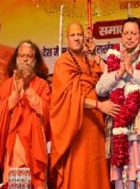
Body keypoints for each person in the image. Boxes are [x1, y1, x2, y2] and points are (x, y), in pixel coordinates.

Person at [96, 17, 140, 187]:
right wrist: (119, 73)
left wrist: (133, 71)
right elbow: (100, 89)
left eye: (133, 33)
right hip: (120, 135)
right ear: (121, 35)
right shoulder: (113, 58)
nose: (129, 37)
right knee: (123, 184)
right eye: (126, 33)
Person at [50, 22, 117, 188]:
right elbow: (69, 98)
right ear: (67, 39)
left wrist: (95, 54)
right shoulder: (62, 63)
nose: (77, 38)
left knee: (96, 169)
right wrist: (98, 105)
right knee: (79, 171)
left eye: (79, 34)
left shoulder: (89, 60)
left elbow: (110, 75)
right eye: (73, 35)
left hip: (95, 125)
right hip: (76, 125)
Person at [0, 41, 51, 188]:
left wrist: (27, 89)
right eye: (22, 56)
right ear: (16, 60)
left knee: (37, 183)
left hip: (36, 144)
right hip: (16, 143)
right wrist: (16, 92)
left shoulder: (42, 84)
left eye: (29, 56)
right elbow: (2, 112)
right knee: (17, 185)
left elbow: (45, 111)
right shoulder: (7, 84)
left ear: (35, 60)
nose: (25, 59)